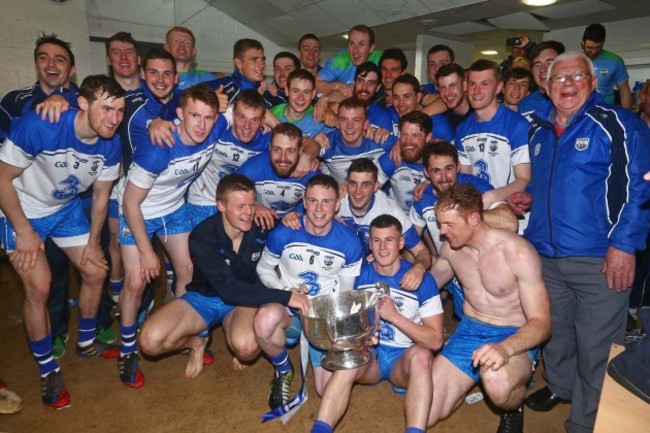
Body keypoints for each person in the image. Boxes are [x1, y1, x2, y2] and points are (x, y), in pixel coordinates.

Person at [512, 51, 650, 433]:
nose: (568, 84)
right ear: (546, 85)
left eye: (577, 76)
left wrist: (624, 246)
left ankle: (586, 423)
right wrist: (532, 197)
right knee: (555, 332)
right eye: (559, 78)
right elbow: (556, 183)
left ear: (593, 83)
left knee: (597, 348)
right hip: (546, 253)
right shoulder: (539, 130)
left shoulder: (619, 124)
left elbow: (640, 189)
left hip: (599, 256)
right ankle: (561, 386)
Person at [0, 75, 125, 409]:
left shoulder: (110, 143)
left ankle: (86, 342)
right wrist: (23, 229)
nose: (114, 118)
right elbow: (1, 179)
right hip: (21, 209)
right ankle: (47, 369)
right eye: (107, 108)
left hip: (65, 210)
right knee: (39, 287)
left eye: (119, 111)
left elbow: (101, 195)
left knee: (97, 270)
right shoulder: (41, 124)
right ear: (82, 103)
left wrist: (94, 242)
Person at [139, 174, 309, 378]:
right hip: (203, 298)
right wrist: (285, 296)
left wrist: (297, 217)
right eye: (240, 207)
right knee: (149, 342)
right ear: (220, 205)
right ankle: (196, 343)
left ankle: (233, 335)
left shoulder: (261, 225)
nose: (248, 213)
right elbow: (228, 289)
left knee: (246, 349)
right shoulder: (202, 237)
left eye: (252, 204)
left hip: (243, 301)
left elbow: (299, 227)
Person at [117, 84, 228, 388]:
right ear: (180, 114)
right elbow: (129, 202)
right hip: (137, 208)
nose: (202, 124)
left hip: (173, 209)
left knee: (188, 270)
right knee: (137, 280)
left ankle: (185, 333)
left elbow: (247, 114)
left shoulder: (218, 125)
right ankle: (127, 350)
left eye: (208, 117)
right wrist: (147, 250)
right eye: (194, 116)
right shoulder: (159, 147)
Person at [427, 184, 551, 433]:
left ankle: (513, 405)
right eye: (440, 224)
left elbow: (542, 323)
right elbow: (428, 285)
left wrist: (505, 349)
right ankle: (467, 379)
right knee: (427, 412)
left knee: (496, 382)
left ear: (474, 218)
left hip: (512, 333)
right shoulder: (451, 249)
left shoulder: (517, 252)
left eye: (449, 225)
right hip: (469, 331)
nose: (442, 232)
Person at [311, 214, 444, 433]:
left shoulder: (422, 280)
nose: (382, 248)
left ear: (401, 242)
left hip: (404, 360)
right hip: (369, 357)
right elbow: (340, 321)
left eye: (389, 240)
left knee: (423, 355)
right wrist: (362, 331)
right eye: (376, 240)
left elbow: (436, 340)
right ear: (369, 243)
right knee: (349, 356)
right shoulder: (358, 276)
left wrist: (394, 317)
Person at [254, 174, 363, 408]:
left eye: (326, 202)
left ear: (336, 205)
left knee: (326, 391)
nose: (319, 208)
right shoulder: (283, 233)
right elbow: (263, 269)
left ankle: (321, 353)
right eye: (313, 201)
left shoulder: (350, 244)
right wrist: (285, 291)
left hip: (322, 320)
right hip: (288, 310)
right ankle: (283, 370)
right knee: (264, 320)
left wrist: (340, 331)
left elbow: (345, 294)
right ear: (304, 201)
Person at [410, 141, 518, 318]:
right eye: (436, 171)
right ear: (426, 173)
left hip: (488, 273)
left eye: (449, 169)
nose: (444, 177)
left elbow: (510, 223)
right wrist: (415, 267)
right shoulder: (422, 200)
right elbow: (410, 242)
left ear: (459, 167)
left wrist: (461, 214)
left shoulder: (475, 188)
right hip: (449, 267)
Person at [455, 60, 530, 218]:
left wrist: (491, 197)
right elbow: (465, 178)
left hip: (511, 216)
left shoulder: (517, 125)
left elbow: (524, 179)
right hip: (478, 214)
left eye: (484, 84)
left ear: (499, 87)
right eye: (472, 84)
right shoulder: (462, 129)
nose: (476, 91)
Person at [186, 90, 271, 226]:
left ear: (263, 121)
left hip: (244, 208)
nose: (247, 126)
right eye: (242, 117)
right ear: (232, 114)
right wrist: (158, 121)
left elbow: (299, 145)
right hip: (204, 201)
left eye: (254, 119)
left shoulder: (269, 141)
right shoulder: (214, 129)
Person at [236, 122, 320, 228]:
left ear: (300, 151)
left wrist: (299, 214)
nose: (283, 158)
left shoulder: (309, 172)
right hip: (259, 223)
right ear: (270, 147)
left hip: (294, 225)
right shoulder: (253, 168)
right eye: (277, 149)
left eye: (290, 151)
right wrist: (253, 205)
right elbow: (229, 192)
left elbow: (322, 204)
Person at [320, 96, 387, 183]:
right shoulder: (327, 143)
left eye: (356, 120)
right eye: (344, 120)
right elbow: (303, 151)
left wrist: (378, 183)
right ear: (337, 123)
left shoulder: (379, 140)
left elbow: (406, 146)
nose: (350, 126)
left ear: (366, 124)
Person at [316, 24, 382, 95]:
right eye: (351, 44)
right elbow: (315, 83)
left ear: (371, 48)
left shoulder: (380, 59)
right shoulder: (340, 62)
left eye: (361, 44)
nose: (355, 50)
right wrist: (338, 86)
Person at [581, 23, 632, 108]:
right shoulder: (575, 61)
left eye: (598, 47)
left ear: (603, 42)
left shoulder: (615, 61)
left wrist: (626, 116)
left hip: (606, 112)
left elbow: (624, 90)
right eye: (590, 48)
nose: (594, 51)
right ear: (583, 43)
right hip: (582, 112)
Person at [518, 41, 565, 122]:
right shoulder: (526, 104)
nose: (543, 69)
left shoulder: (574, 100)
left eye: (549, 63)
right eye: (538, 65)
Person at [163, 26, 216, 90]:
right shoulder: (157, 78)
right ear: (167, 48)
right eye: (176, 41)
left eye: (187, 43)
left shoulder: (207, 79)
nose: (182, 45)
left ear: (193, 51)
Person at [435, 63, 473, 132]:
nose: (447, 93)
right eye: (443, 87)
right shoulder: (442, 118)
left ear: (464, 86)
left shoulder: (478, 115)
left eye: (452, 85)